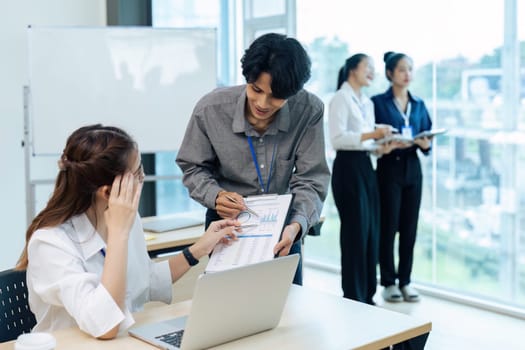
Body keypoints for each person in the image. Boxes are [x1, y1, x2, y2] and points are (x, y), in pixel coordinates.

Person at [16, 124, 239, 339]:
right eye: (138, 173)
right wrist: (118, 234)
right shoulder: (51, 243)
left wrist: (199, 249)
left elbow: (146, 280)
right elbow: (106, 325)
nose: (142, 180)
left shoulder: (126, 221)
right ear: (107, 192)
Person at [176, 33, 331, 285]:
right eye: (256, 89)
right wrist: (215, 196)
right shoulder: (211, 109)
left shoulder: (309, 110)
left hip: (284, 228)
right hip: (228, 226)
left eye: (276, 96)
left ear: (293, 92)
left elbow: (312, 178)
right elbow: (192, 166)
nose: (262, 103)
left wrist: (296, 226)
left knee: (288, 312)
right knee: (226, 311)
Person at [328, 54, 396, 305]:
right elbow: (337, 139)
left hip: (367, 166)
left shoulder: (365, 102)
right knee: (355, 233)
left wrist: (381, 145)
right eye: (368, 67)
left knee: (370, 232)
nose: (372, 73)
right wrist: (373, 133)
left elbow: (365, 141)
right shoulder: (340, 98)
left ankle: (368, 294)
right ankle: (354, 295)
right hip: (348, 168)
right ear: (352, 70)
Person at [371, 52, 432, 303]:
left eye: (410, 69)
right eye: (402, 70)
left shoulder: (418, 104)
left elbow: (427, 133)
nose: (407, 74)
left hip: (412, 167)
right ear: (389, 74)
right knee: (388, 225)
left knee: (409, 227)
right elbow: (370, 135)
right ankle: (388, 282)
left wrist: (426, 144)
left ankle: (405, 281)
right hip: (388, 166)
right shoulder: (377, 102)